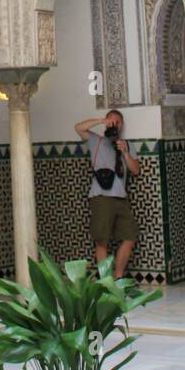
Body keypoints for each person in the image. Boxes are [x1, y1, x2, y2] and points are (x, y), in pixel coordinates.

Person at [74, 108, 140, 277]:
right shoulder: (96, 141)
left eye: (117, 122)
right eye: (111, 121)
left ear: (122, 125)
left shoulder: (127, 145)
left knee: (130, 236)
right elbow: (78, 127)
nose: (114, 125)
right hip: (101, 197)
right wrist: (100, 120)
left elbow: (135, 170)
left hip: (121, 198)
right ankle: (105, 279)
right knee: (102, 240)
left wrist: (125, 152)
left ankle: (118, 277)